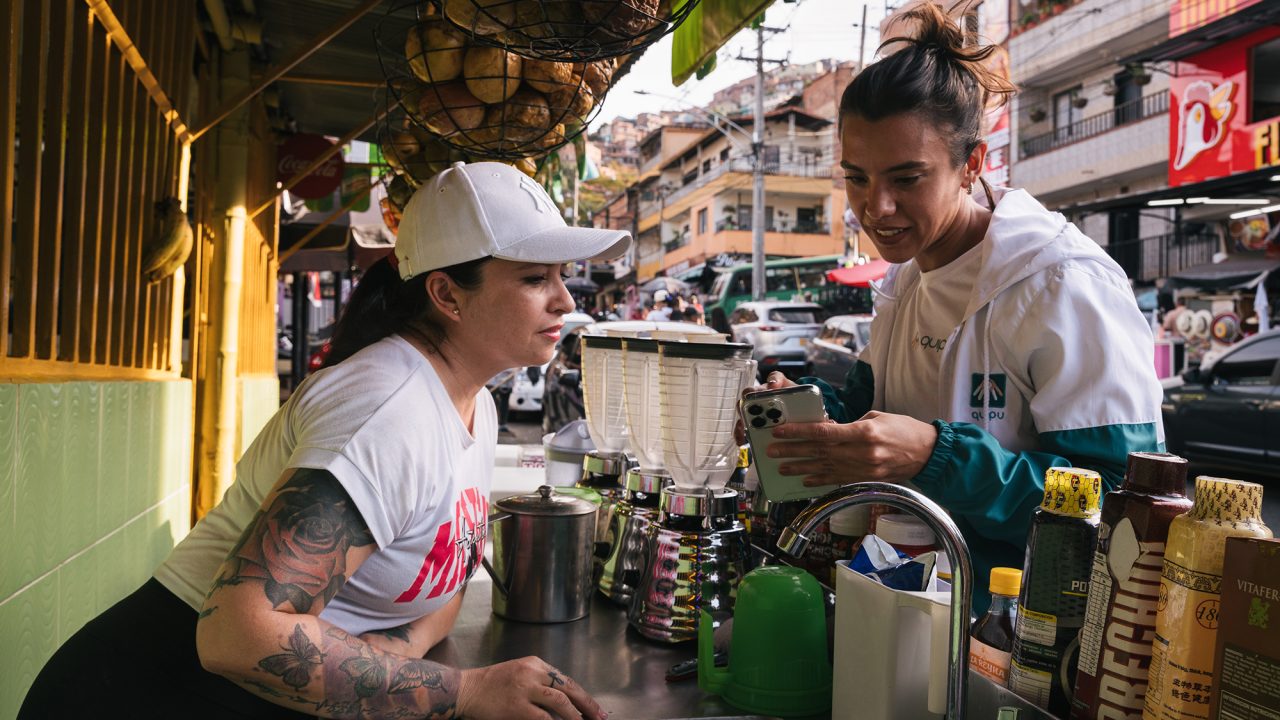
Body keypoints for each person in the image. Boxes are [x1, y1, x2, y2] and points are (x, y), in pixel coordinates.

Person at [20, 162, 630, 719]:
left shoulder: (475, 403)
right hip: (146, 691)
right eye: (533, 278)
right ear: (446, 295)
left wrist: (397, 656)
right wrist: (464, 692)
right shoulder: (387, 411)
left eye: (561, 275)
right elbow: (239, 634)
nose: (564, 300)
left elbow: (441, 589)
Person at [757, 4, 1163, 613]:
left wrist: (936, 455)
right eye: (858, 178)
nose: (877, 207)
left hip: (1023, 637)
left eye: (907, 178)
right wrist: (804, 415)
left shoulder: (1060, 284)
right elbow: (874, 415)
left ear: (972, 163)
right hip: (903, 604)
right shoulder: (903, 282)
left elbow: (1122, 506)